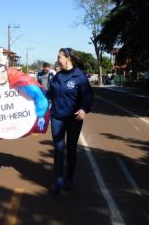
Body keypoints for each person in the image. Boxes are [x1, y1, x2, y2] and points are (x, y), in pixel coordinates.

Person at [47, 48, 94, 194]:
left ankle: (69, 180)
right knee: (58, 150)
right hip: (57, 117)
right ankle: (58, 181)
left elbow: (88, 96)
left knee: (71, 149)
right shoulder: (57, 77)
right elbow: (49, 94)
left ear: (67, 58)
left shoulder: (79, 76)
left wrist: (84, 109)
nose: (57, 59)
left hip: (73, 119)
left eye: (59, 56)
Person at [0, 63, 48, 138]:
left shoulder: (20, 79)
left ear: (7, 72)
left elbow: (38, 96)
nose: (0, 75)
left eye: (3, 71)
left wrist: (41, 114)